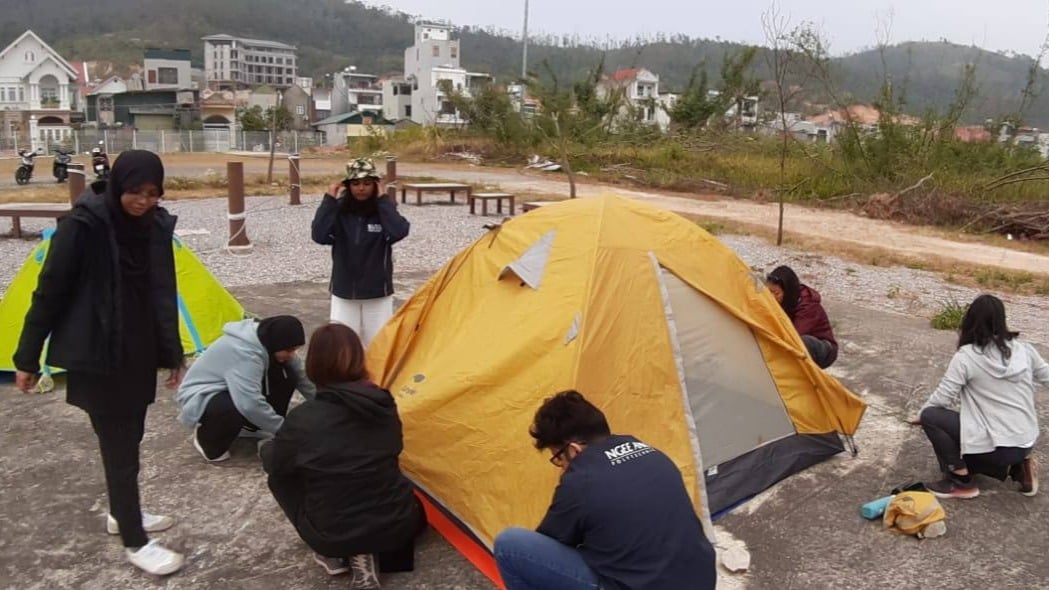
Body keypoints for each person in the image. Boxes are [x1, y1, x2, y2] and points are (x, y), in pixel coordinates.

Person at [12, 150, 186, 576]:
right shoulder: (84, 226)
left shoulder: (154, 227)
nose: (144, 201)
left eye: (152, 193)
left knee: (131, 437)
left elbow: (163, 292)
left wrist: (171, 353)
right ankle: (134, 538)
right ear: (117, 186)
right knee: (120, 443)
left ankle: (121, 511)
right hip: (98, 351)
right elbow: (48, 290)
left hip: (138, 349)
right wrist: (27, 357)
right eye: (135, 192)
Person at [494, 390, 716, 590]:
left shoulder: (581, 480)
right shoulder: (650, 451)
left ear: (574, 449)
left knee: (511, 546)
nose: (561, 468)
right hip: (702, 580)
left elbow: (550, 546)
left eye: (558, 458)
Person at [260, 323, 426, 589]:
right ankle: (369, 549)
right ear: (360, 359)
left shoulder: (303, 419)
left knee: (276, 469)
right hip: (400, 524)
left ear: (314, 364)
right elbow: (393, 448)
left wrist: (271, 450)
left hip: (333, 535)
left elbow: (280, 469)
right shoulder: (383, 402)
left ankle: (337, 556)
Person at [917, 294, 1049, 499]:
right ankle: (1019, 467)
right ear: (1002, 320)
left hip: (997, 449)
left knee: (931, 417)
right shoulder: (1024, 349)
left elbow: (943, 397)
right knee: (975, 435)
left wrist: (920, 415)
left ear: (969, 320)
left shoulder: (967, 356)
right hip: (1026, 441)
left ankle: (960, 482)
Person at [175, 315, 316, 462]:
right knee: (230, 407)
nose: (292, 355)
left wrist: (328, 404)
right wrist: (285, 431)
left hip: (234, 387)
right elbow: (249, 403)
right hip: (203, 395)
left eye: (295, 350)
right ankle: (207, 440)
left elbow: (303, 378)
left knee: (287, 374)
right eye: (289, 350)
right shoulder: (244, 352)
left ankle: (250, 427)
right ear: (277, 344)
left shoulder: (270, 341)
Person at [311, 158, 410, 346]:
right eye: (355, 183)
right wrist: (329, 199)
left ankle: (374, 377)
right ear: (348, 186)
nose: (361, 188)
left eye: (367, 183)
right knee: (343, 345)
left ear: (375, 185)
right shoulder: (339, 210)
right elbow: (319, 234)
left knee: (378, 344)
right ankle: (347, 376)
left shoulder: (383, 211)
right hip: (344, 291)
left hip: (378, 292)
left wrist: (383, 200)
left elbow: (399, 231)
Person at [766, 265, 839, 369]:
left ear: (788, 292)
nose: (772, 297)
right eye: (769, 292)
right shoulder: (783, 302)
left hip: (823, 350)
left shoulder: (809, 307)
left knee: (801, 342)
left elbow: (794, 336)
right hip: (798, 343)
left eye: (776, 293)